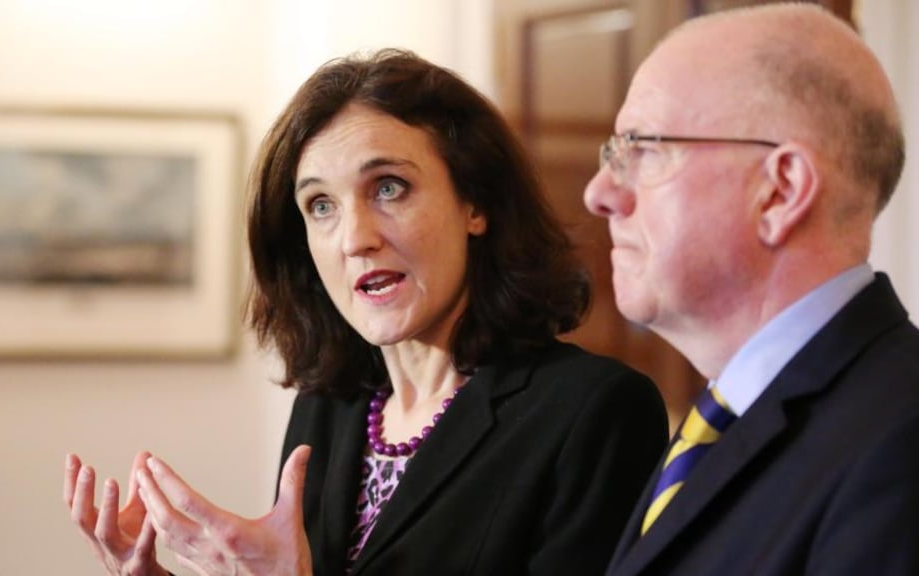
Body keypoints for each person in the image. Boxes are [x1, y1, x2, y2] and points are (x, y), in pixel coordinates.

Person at [64, 48, 667, 575]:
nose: (355, 237)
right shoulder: (331, 407)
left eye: (387, 188)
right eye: (320, 205)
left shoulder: (596, 412)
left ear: (475, 204)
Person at [582, 4, 919, 576]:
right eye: (613, 154)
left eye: (643, 149)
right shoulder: (722, 418)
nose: (599, 193)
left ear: (781, 191)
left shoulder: (901, 443)